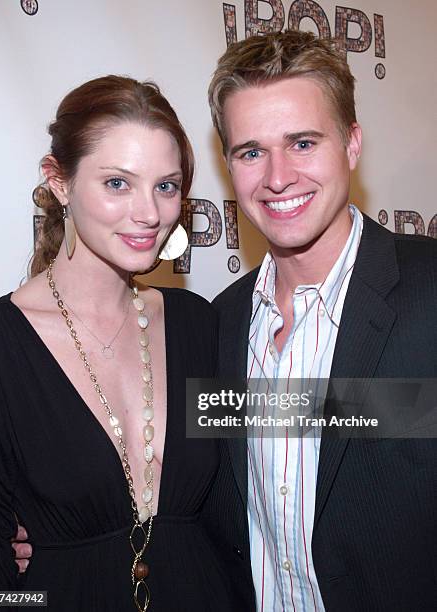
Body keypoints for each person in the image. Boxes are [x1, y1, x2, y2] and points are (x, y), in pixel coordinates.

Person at [0, 75, 255, 611]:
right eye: (117, 184)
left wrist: (412, 407)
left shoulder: (198, 323)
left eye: (166, 186)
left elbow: (263, 474)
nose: (149, 214)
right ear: (59, 182)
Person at [206, 30, 437, 611]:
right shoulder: (220, 324)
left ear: (352, 145)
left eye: (303, 143)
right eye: (251, 151)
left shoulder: (430, 294)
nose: (277, 176)